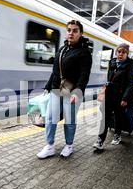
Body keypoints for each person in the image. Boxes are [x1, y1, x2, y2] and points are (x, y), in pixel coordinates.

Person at [36, 20, 92, 159]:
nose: (71, 33)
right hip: (56, 88)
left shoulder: (84, 52)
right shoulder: (62, 49)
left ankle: (69, 145)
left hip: (72, 92)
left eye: (74, 30)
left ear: (81, 33)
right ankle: (49, 146)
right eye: (69, 30)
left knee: (69, 120)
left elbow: (84, 75)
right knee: (50, 117)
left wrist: (78, 92)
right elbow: (55, 71)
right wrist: (48, 87)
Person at [93, 43, 133, 150]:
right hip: (109, 94)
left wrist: (125, 98)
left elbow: (131, 83)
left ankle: (117, 135)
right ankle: (100, 140)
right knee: (105, 117)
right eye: (119, 52)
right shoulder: (112, 62)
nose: (120, 54)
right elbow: (109, 77)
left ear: (127, 54)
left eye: (123, 52)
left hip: (121, 96)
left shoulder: (130, 65)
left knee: (118, 116)